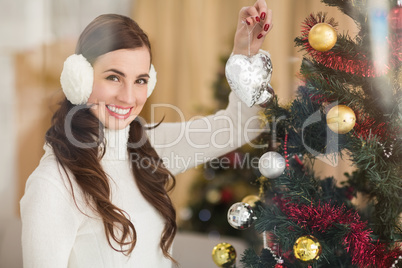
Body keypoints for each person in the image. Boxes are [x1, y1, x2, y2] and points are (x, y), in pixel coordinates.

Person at [20, 0, 273, 267]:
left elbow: (243, 125)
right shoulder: (53, 184)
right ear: (79, 78)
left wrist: (245, 57)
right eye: (113, 77)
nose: (129, 97)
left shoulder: (150, 145)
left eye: (140, 80)